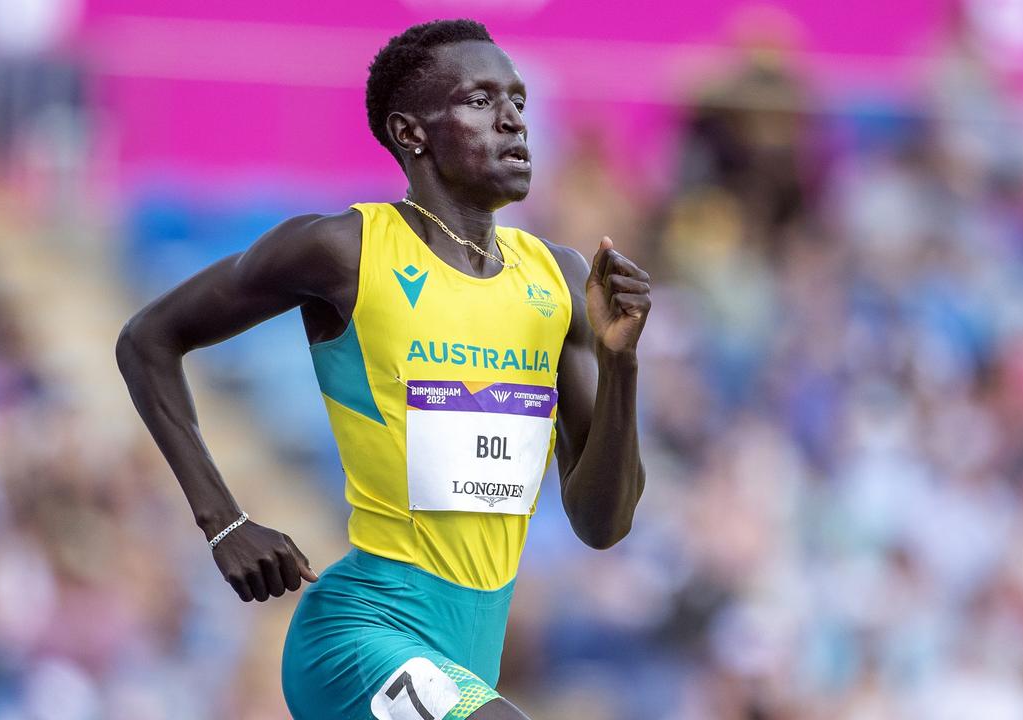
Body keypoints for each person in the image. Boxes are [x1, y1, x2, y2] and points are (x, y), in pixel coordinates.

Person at [115, 18, 650, 720]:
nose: (514, 119)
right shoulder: (344, 251)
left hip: (465, 657)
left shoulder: (558, 279)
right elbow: (147, 339)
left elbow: (602, 524)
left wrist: (620, 365)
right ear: (411, 133)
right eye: (481, 100)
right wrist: (223, 521)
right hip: (358, 638)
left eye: (516, 99)